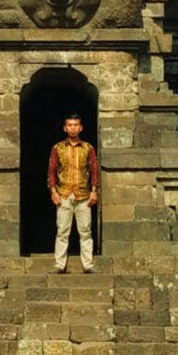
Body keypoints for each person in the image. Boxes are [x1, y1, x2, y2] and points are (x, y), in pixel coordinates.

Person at [46, 114, 99, 273]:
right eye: (70, 125)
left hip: (83, 194)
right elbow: (52, 171)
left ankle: (88, 264)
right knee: (62, 231)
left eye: (76, 125)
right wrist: (53, 191)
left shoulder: (88, 148)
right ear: (65, 128)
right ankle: (59, 264)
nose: (73, 128)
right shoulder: (58, 148)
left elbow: (94, 170)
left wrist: (94, 191)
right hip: (64, 194)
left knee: (85, 231)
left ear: (81, 127)